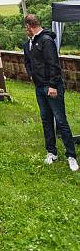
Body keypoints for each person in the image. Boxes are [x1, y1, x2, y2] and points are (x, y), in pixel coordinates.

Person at [23, 13, 78, 172]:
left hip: (51, 87)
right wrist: (31, 75)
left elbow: (54, 65)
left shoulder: (47, 41)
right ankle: (51, 152)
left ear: (29, 26)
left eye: (26, 27)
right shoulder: (28, 44)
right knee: (46, 120)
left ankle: (71, 155)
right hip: (39, 87)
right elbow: (27, 61)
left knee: (60, 121)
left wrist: (53, 85)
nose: (26, 30)